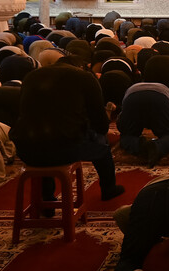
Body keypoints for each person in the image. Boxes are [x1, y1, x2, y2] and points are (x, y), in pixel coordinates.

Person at [10, 64, 124, 201]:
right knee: (100, 141)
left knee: (43, 139)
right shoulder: (85, 78)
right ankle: (109, 189)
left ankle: (46, 198)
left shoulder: (32, 76)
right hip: (66, 149)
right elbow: (101, 125)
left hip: (25, 149)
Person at [118, 82, 169, 168]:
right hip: (160, 99)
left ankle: (140, 145)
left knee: (127, 137)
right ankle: (156, 147)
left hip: (132, 98)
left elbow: (121, 119)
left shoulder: (132, 88)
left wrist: (125, 131)